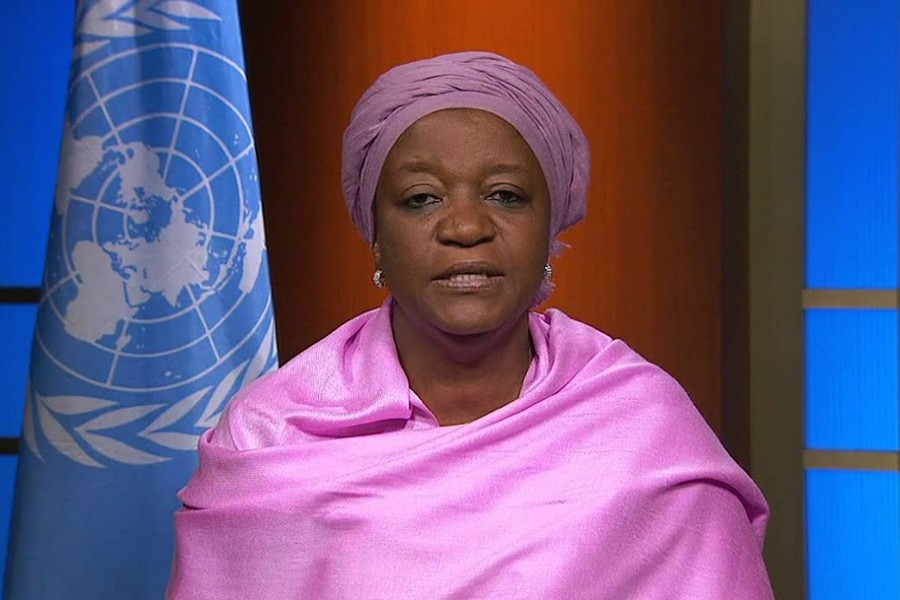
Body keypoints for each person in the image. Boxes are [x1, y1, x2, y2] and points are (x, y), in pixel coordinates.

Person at [167, 51, 774, 599]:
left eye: (505, 195)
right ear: (376, 235)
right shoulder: (271, 435)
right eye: (422, 198)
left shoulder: (642, 424)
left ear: (550, 227)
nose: (465, 228)